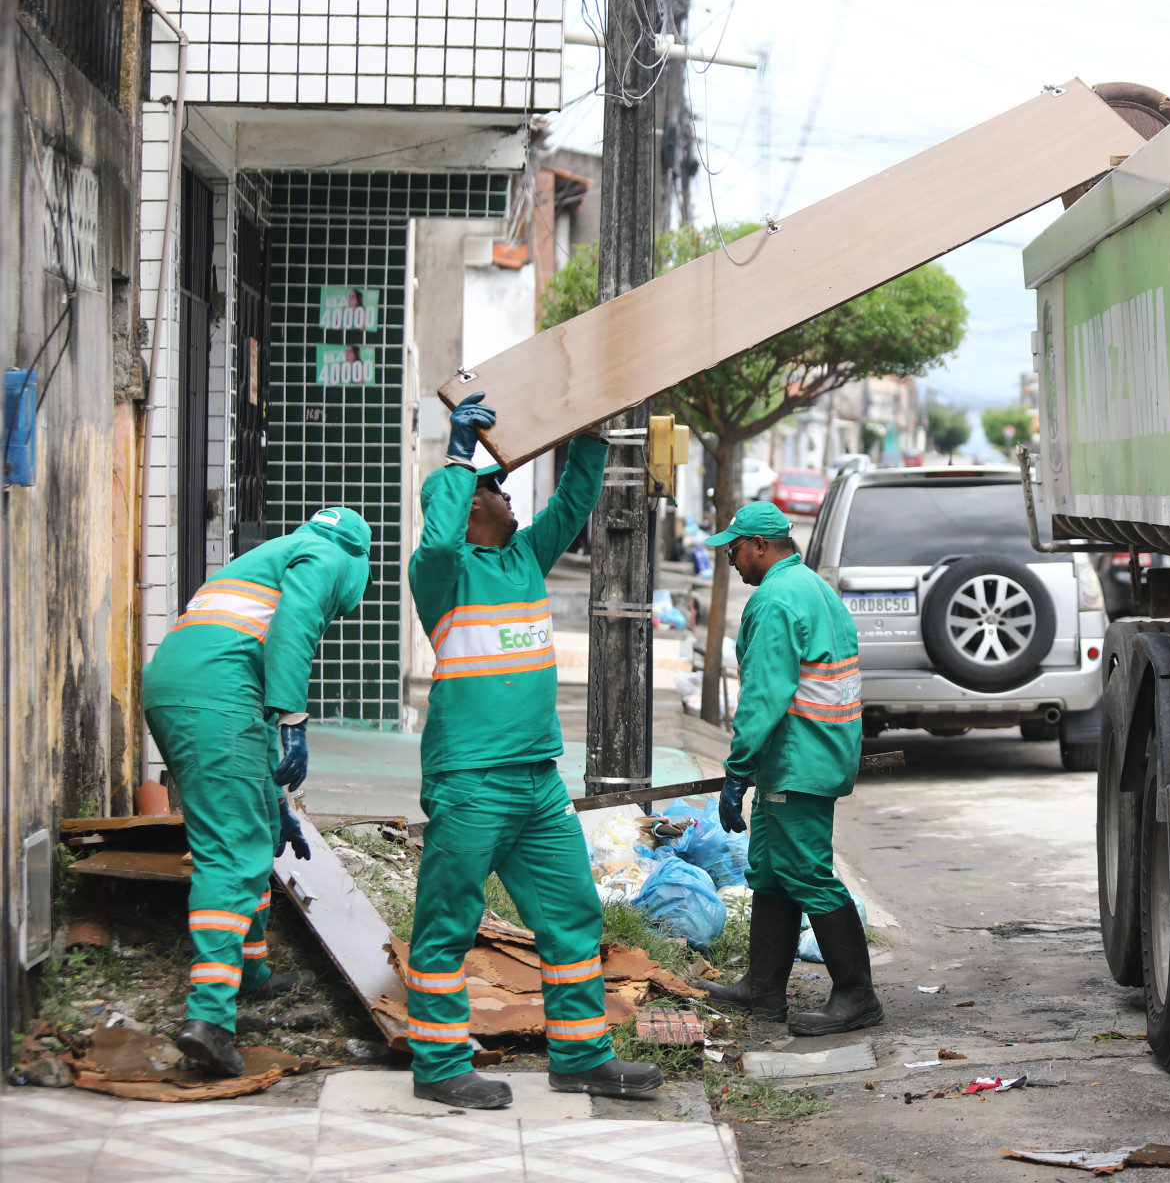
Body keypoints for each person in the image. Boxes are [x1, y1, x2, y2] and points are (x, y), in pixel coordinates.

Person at [402, 392, 663, 1109]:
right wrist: (458, 458)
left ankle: (581, 1056)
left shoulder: (524, 559)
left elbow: (577, 499)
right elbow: (438, 540)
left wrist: (584, 428)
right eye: (493, 487)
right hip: (470, 781)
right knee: (447, 922)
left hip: (536, 782)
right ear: (463, 505)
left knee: (573, 915)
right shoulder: (442, 576)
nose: (507, 492)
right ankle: (439, 1064)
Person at [144, 505, 372, 1077]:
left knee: (256, 827)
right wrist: (293, 719)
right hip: (216, 699)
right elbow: (294, 624)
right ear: (360, 561)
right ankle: (209, 1019)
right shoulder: (328, 554)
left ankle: (250, 971)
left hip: (185, 690)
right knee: (232, 850)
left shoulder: (262, 560)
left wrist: (275, 804)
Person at [696, 502, 880, 1035]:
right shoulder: (813, 587)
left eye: (734, 548)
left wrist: (738, 769)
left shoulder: (775, 600)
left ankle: (857, 995)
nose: (730, 558)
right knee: (772, 872)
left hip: (798, 759)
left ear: (759, 545)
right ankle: (764, 989)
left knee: (805, 873)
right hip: (815, 751)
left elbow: (763, 696)